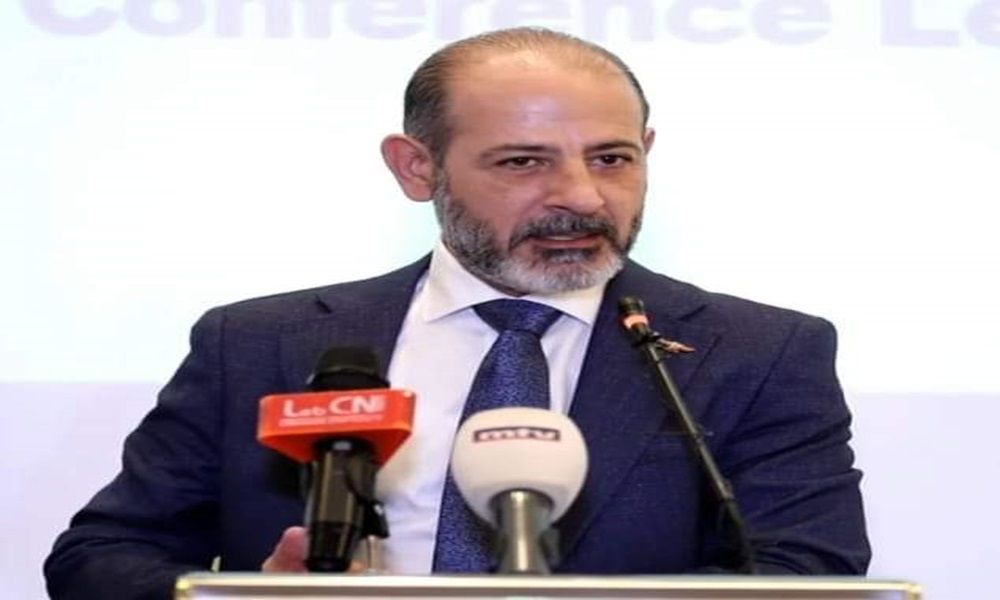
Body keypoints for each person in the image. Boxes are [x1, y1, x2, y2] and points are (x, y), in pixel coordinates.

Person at [44, 28, 870, 599]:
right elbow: (103, 558)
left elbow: (808, 573)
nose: (584, 196)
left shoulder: (759, 352)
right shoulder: (258, 343)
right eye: (523, 162)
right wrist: (251, 599)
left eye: (612, 158)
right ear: (417, 168)